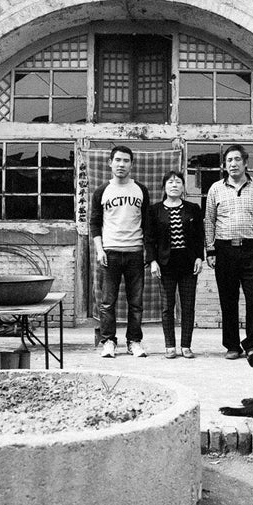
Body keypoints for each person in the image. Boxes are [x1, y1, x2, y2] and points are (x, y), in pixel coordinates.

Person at [204, 144, 253, 360]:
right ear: (224, 164)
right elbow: (209, 221)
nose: (233, 164)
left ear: (245, 163)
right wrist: (210, 249)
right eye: (229, 160)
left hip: (251, 249)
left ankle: (252, 344)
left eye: (237, 159)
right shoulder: (215, 189)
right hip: (224, 250)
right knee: (228, 298)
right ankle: (232, 345)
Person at [90, 145, 151, 358]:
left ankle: (134, 341)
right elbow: (95, 223)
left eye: (126, 161)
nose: (121, 164)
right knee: (107, 302)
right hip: (110, 252)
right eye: (117, 160)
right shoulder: (101, 191)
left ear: (132, 164)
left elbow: (147, 224)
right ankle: (108, 341)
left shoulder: (140, 190)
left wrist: (147, 252)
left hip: (135, 252)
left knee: (136, 303)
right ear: (110, 163)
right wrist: (100, 250)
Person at [146, 171, 204, 359]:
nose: (174, 185)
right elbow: (149, 239)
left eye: (178, 182)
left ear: (183, 187)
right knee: (167, 307)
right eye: (170, 182)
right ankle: (169, 345)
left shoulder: (193, 208)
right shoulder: (155, 210)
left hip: (188, 265)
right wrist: (152, 261)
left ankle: (186, 345)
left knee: (188, 307)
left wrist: (199, 258)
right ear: (164, 186)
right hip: (165, 266)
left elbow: (198, 236)